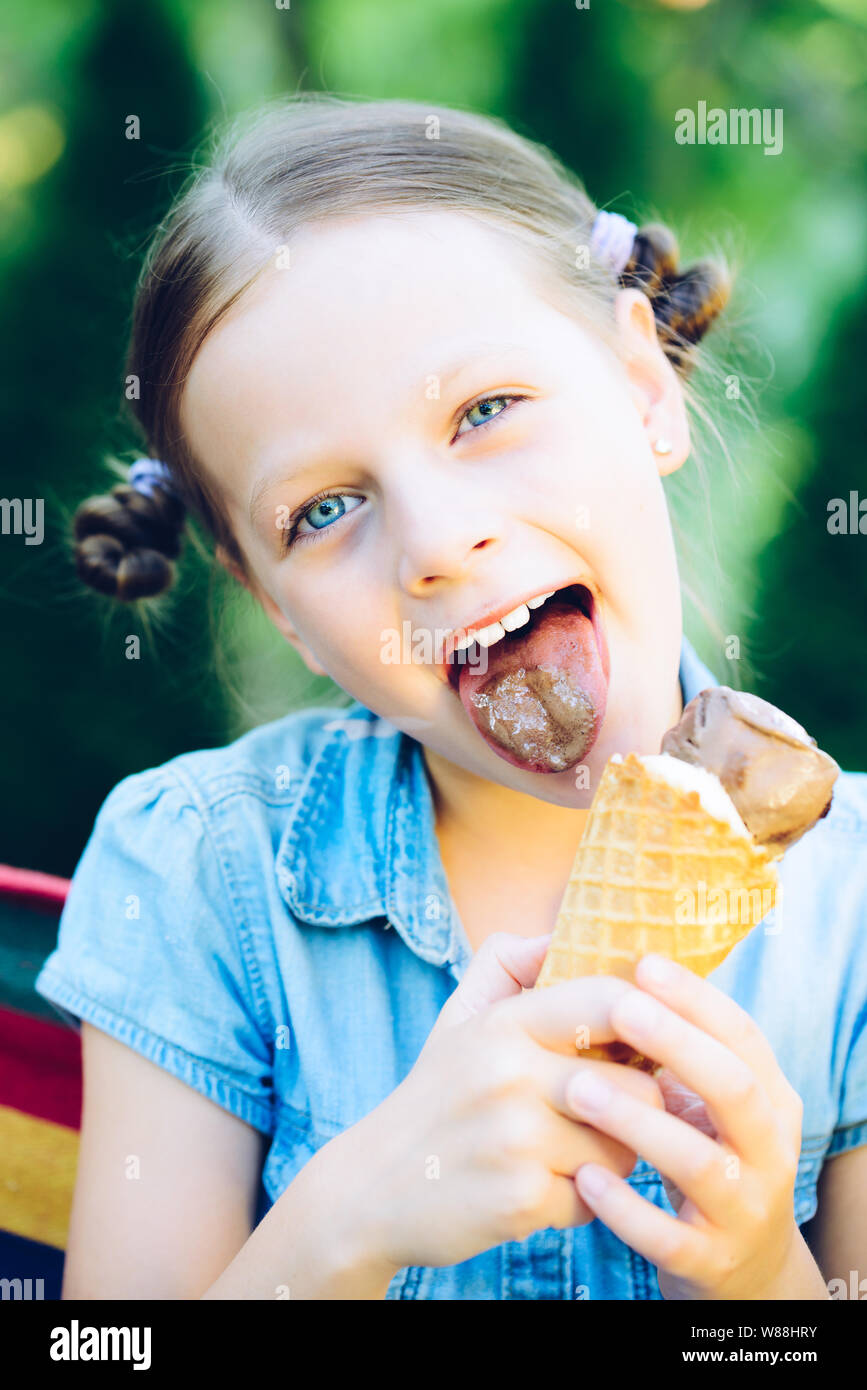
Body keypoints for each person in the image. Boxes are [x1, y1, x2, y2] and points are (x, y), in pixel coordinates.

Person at [37, 93, 867, 1300]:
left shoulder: (854, 919)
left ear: (645, 389)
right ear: (278, 606)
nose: (435, 541)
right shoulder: (198, 877)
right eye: (322, 511)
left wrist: (758, 1283)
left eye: (483, 412)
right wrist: (342, 1224)